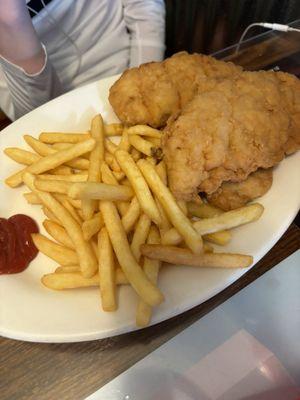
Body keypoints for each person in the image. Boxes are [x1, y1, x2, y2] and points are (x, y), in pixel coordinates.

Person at [0, 0, 165, 121]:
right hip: (67, 120)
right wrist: (25, 53)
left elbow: (144, 6)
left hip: (134, 71)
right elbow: (35, 124)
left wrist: (143, 84)